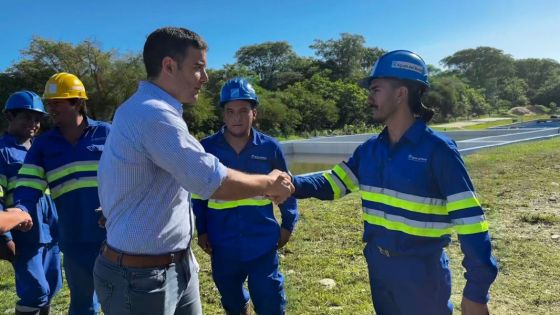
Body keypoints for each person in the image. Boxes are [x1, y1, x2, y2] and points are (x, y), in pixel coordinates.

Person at [94, 27, 293, 315]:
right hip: (142, 278)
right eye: (198, 67)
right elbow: (209, 181)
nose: (205, 77)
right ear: (169, 66)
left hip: (170, 266)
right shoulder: (153, 114)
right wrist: (269, 183)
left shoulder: (141, 109)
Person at [291, 50, 498, 315]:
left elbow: (471, 223)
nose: (369, 99)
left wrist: (476, 293)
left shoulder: (438, 151)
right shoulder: (369, 150)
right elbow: (334, 183)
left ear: (400, 94)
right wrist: (292, 183)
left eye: (375, 90)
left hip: (422, 275)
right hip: (379, 266)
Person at [192, 78, 298, 315]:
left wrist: (288, 225)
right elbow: (198, 194)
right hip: (222, 241)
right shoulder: (206, 148)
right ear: (223, 115)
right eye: (230, 111)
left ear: (254, 114)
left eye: (243, 111)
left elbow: (287, 188)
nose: (236, 118)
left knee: (270, 299)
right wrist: (202, 230)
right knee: (232, 298)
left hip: (262, 239)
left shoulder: (270, 147)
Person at [9, 74, 110, 315]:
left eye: (57, 102)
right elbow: (28, 185)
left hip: (113, 235)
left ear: (76, 102)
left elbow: (132, 175)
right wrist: (20, 209)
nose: (50, 109)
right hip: (73, 238)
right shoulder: (44, 144)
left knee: (121, 301)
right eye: (49, 102)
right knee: (82, 304)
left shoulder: (108, 133)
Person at [0, 91, 62, 315]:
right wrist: (5, 237)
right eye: (26, 117)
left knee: (52, 286)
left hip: (51, 232)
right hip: (24, 235)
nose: (33, 124)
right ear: (10, 117)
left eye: (37, 119)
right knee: (35, 290)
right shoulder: (3, 152)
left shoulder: (42, 149)